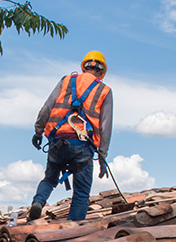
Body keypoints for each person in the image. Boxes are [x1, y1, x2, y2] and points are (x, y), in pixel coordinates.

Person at [28, 50, 113, 222]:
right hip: (82, 147)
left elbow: (46, 108)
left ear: (84, 66)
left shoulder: (66, 81)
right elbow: (106, 126)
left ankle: (38, 202)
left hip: (57, 141)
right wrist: (103, 156)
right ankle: (72, 229)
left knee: (50, 179)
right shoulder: (105, 90)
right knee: (81, 192)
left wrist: (38, 131)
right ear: (102, 71)